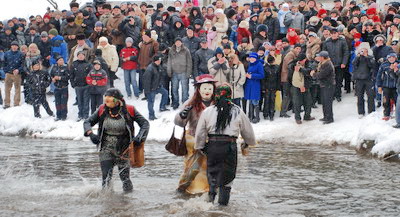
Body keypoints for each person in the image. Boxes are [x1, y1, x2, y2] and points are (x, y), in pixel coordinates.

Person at [195, 84, 256, 206]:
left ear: (216, 95)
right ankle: (223, 207)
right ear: (230, 95)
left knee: (212, 175)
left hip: (212, 146)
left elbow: (200, 133)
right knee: (227, 179)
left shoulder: (208, 111)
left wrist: (200, 147)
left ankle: (210, 204)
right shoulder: (237, 111)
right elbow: (248, 132)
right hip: (230, 147)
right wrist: (248, 143)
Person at [83, 88, 150, 192]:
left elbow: (145, 124)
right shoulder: (102, 109)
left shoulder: (130, 110)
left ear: (118, 100)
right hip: (106, 147)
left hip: (124, 149)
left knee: (125, 179)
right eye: (106, 100)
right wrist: (91, 134)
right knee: (106, 178)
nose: (107, 102)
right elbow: (87, 122)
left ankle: (128, 202)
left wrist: (139, 137)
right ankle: (107, 204)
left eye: (110, 100)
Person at [174, 74, 217, 194]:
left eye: (209, 88)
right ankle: (184, 188)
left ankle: (209, 190)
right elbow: (179, 122)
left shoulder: (218, 103)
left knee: (210, 168)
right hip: (193, 140)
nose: (207, 91)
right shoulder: (191, 103)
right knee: (193, 168)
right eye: (204, 88)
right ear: (198, 89)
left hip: (213, 141)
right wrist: (182, 115)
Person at [322, 28, 349, 102]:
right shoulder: (326, 42)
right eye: (332, 33)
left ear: (337, 33)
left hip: (339, 64)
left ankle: (338, 95)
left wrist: (344, 62)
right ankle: (332, 94)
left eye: (335, 33)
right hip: (330, 65)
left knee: (339, 80)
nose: (333, 34)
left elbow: (346, 52)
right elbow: (324, 53)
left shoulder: (342, 41)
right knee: (330, 80)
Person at [288, 53, 315, 124]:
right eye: (299, 60)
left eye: (301, 60)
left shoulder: (309, 64)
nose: (300, 62)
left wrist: (300, 69)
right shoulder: (295, 63)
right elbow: (290, 66)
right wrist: (293, 66)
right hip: (296, 86)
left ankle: (307, 116)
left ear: (305, 59)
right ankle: (297, 118)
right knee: (297, 103)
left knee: (308, 102)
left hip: (306, 85)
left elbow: (309, 71)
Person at [352, 44, 376, 118]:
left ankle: (371, 111)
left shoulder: (371, 57)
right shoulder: (357, 57)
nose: (363, 50)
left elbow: (372, 65)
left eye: (365, 49)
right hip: (359, 79)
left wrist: (366, 57)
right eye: (362, 49)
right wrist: (358, 56)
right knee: (359, 96)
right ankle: (361, 112)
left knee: (371, 96)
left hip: (368, 79)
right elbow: (354, 64)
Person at [311, 51, 335, 124]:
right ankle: (326, 116)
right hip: (324, 85)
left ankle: (330, 118)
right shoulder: (322, 63)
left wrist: (313, 74)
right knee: (324, 102)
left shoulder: (327, 64)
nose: (317, 57)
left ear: (322, 57)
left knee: (327, 102)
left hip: (328, 85)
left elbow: (321, 75)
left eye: (319, 56)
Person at [167, 37, 192, 109]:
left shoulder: (186, 50)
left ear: (181, 43)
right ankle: (175, 103)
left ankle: (185, 103)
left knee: (185, 89)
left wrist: (188, 72)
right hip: (174, 72)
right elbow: (169, 61)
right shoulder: (171, 50)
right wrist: (169, 71)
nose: (178, 43)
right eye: (176, 42)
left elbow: (189, 62)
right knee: (174, 89)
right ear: (174, 43)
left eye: (179, 42)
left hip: (183, 72)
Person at [143, 55, 169, 120]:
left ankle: (162, 107)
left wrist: (160, 84)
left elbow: (159, 77)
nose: (159, 62)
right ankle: (151, 115)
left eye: (160, 60)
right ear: (154, 61)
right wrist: (147, 91)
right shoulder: (150, 69)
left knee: (165, 93)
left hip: (158, 86)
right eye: (158, 61)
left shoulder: (159, 67)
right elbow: (146, 80)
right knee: (151, 102)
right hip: (151, 88)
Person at [70, 51, 92, 121]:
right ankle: (80, 114)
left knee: (86, 101)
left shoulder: (88, 64)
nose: (81, 56)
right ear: (77, 56)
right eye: (79, 55)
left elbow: (91, 75)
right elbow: (71, 75)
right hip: (78, 86)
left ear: (84, 56)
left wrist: (90, 84)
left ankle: (86, 115)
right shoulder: (74, 64)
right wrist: (73, 83)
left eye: (82, 55)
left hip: (86, 85)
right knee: (79, 101)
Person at [244, 52, 265, 123]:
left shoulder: (259, 64)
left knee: (254, 101)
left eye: (253, 58)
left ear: (256, 58)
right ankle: (251, 115)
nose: (252, 59)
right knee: (250, 100)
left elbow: (262, 75)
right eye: (251, 58)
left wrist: (252, 76)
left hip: (255, 85)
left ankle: (257, 117)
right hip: (249, 84)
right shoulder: (249, 64)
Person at [377, 53, 398, 121]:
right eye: (390, 57)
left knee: (397, 101)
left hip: (396, 87)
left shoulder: (398, 64)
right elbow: (379, 76)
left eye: (393, 57)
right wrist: (379, 86)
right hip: (386, 86)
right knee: (386, 101)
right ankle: (386, 114)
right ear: (387, 58)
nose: (391, 59)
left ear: (395, 58)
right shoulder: (383, 65)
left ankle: (397, 115)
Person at [3, 41, 24, 109]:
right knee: (7, 89)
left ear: (18, 47)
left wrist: (18, 70)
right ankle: (7, 103)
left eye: (16, 45)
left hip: (17, 74)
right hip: (8, 74)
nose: (14, 47)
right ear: (11, 46)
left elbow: (23, 64)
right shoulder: (6, 54)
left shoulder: (21, 54)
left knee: (17, 89)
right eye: (13, 45)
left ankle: (16, 103)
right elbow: (4, 63)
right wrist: (6, 71)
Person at [50, 55, 70, 121]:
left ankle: (64, 116)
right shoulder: (54, 67)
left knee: (63, 102)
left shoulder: (66, 67)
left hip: (64, 87)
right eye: (60, 60)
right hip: (57, 88)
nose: (61, 61)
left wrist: (60, 78)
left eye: (62, 60)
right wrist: (52, 78)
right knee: (57, 102)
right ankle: (58, 115)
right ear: (57, 61)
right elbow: (51, 74)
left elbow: (68, 77)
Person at [262, 55, 280, 121]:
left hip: (274, 87)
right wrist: (263, 88)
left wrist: (278, 87)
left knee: (272, 100)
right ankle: (266, 114)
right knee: (267, 101)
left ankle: (271, 114)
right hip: (267, 87)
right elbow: (263, 79)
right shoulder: (265, 68)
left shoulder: (277, 67)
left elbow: (278, 78)